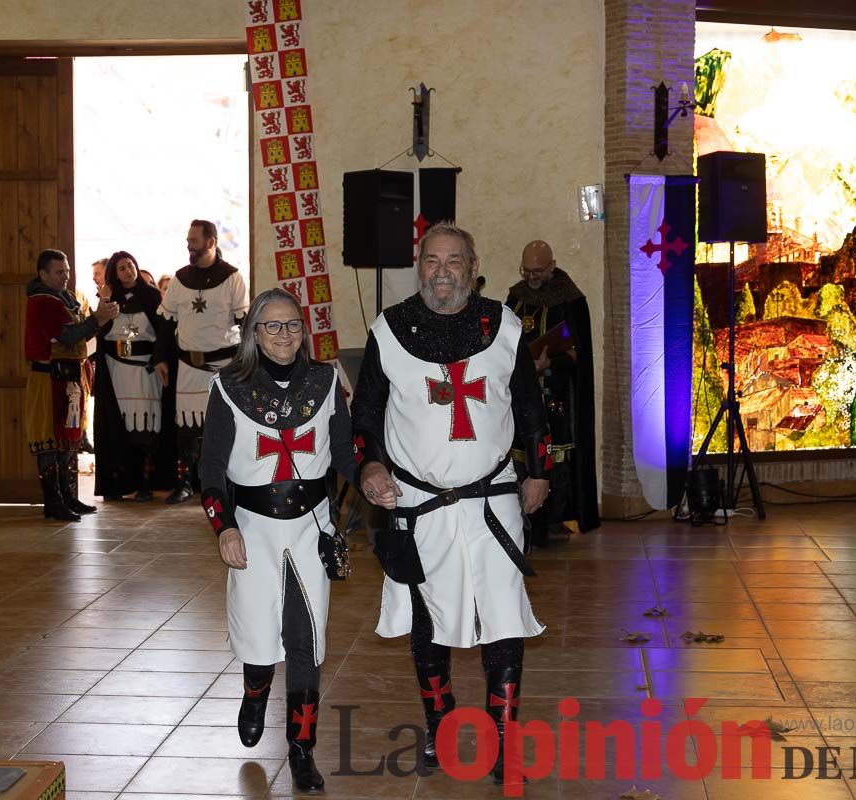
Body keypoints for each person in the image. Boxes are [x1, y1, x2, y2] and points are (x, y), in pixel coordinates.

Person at [353, 223, 551, 786]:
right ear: (420, 266)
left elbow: (531, 407)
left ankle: (504, 734)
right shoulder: (389, 330)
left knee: (503, 615)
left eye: (454, 261)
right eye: (432, 260)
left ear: (472, 265)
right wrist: (369, 465)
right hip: (418, 503)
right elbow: (364, 414)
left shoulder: (503, 325)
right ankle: (440, 726)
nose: (442, 271)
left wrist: (539, 470)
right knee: (428, 618)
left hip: (493, 497)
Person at [199, 288, 356, 793]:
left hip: (312, 527)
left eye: (293, 325)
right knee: (260, 637)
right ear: (253, 334)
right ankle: (254, 693)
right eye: (272, 326)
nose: (284, 335)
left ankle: (302, 750)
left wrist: (377, 478)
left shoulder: (326, 382)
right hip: (253, 527)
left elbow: (345, 455)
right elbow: (210, 469)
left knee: (306, 642)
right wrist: (223, 526)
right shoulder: (228, 387)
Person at [506, 240, 600, 542]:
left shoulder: (569, 299)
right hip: (521, 394)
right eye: (527, 270)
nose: (531, 276)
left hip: (557, 394)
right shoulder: (516, 297)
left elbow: (578, 352)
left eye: (537, 270)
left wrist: (549, 363)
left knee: (554, 457)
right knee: (522, 455)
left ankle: (553, 520)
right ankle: (523, 519)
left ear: (552, 265)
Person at [155, 219, 250, 504]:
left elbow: (245, 323)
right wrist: (160, 357)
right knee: (186, 430)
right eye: (188, 240)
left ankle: (228, 483)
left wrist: (247, 365)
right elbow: (165, 321)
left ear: (211, 242)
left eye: (193, 240)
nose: (189, 244)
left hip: (223, 365)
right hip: (188, 367)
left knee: (225, 428)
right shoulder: (180, 279)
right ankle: (185, 483)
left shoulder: (233, 277)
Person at [25, 249, 118, 521]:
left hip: (67, 377)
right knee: (49, 441)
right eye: (58, 272)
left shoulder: (64, 298)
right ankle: (53, 502)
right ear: (42, 274)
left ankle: (67, 497)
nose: (65, 276)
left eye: (66, 271)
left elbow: (80, 333)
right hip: (48, 378)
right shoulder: (43, 301)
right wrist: (98, 319)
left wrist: (99, 318)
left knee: (67, 441)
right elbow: (68, 336)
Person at [93, 251, 167, 501]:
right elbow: (100, 331)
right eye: (122, 267)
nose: (128, 270)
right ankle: (118, 482)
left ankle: (145, 482)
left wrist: (160, 359)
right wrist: (103, 303)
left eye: (131, 265)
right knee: (120, 425)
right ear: (115, 272)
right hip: (117, 369)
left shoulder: (152, 296)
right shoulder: (108, 298)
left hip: (145, 369)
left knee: (146, 426)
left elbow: (163, 333)